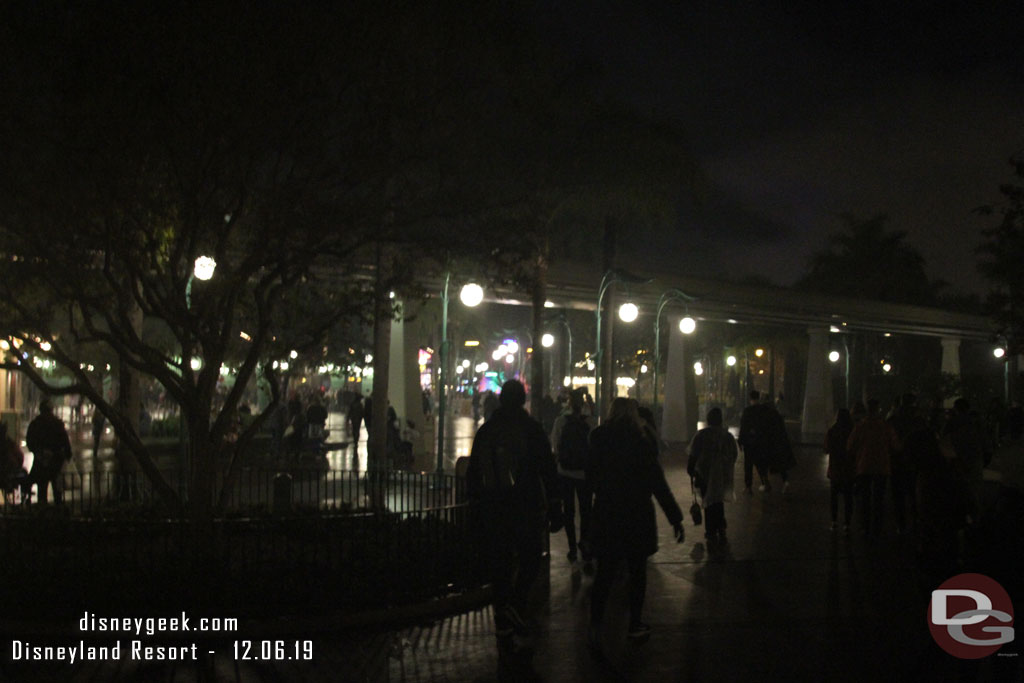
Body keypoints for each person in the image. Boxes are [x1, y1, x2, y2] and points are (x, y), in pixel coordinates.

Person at [466, 380, 562, 651]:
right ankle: (517, 605)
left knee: (500, 563)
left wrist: (474, 503)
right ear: (522, 399)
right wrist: (555, 504)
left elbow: (474, 472)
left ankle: (502, 621)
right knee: (531, 557)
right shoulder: (531, 429)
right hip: (525, 506)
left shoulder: (487, 430)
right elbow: (547, 468)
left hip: (493, 507)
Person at [587, 397, 685, 655]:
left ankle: (595, 624)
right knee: (637, 572)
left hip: (608, 512)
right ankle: (634, 624)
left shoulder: (598, 439)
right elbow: (657, 483)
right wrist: (675, 517)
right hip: (636, 514)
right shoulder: (641, 442)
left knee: (605, 573)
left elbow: (590, 476)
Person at [549, 389, 594, 570]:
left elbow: (555, 443)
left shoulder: (560, 421)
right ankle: (584, 543)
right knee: (585, 511)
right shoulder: (589, 422)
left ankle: (571, 548)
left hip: (565, 472)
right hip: (584, 474)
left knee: (568, 512)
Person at [847, 398, 899, 540]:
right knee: (879, 499)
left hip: (864, 465)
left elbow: (850, 446)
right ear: (878, 409)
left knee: (865, 498)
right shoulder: (885, 426)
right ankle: (877, 528)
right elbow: (895, 445)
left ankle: (865, 526)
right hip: (882, 466)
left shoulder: (860, 426)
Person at [687, 407, 738, 544]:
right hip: (722, 475)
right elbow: (734, 455)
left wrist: (692, 471)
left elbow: (693, 455)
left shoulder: (701, 436)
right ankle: (720, 527)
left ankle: (711, 531)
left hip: (704, 474)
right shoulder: (727, 436)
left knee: (708, 502)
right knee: (718, 502)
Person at [25, 399, 73, 504]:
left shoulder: (35, 424)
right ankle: (57, 514)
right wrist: (67, 455)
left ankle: (43, 513)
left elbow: (30, 441)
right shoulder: (57, 423)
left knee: (42, 490)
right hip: (56, 461)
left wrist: (38, 452)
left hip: (41, 461)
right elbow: (65, 441)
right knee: (57, 491)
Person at [825, 408, 855, 532]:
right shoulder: (852, 430)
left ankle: (834, 521)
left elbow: (826, 448)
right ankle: (847, 523)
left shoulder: (832, 431)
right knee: (848, 498)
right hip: (848, 468)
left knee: (834, 497)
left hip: (835, 468)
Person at [738, 391, 772, 493]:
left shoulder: (747, 411)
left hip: (749, 442)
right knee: (760, 462)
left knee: (748, 465)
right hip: (761, 441)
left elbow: (743, 427)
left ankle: (748, 486)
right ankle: (765, 480)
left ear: (750, 398)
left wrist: (741, 441)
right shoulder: (765, 410)